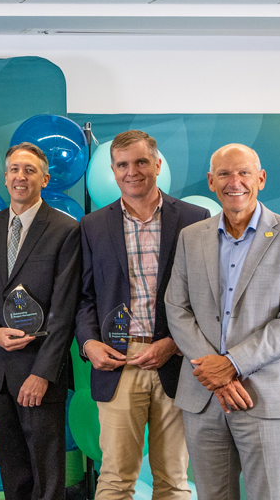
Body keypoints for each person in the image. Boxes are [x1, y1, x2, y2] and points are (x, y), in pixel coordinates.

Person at [166, 143, 280, 500]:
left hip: (267, 395)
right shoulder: (191, 237)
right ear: (211, 181)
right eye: (224, 174)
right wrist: (213, 371)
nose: (235, 182)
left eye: (244, 173)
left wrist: (232, 364)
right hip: (204, 395)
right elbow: (176, 307)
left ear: (260, 179)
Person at [75, 130, 208, 500]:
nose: (131, 171)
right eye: (122, 165)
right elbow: (83, 298)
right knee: (115, 479)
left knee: (173, 480)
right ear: (113, 170)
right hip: (119, 362)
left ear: (158, 164)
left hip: (177, 362)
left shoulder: (195, 219)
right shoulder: (92, 226)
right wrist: (89, 344)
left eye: (141, 162)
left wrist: (174, 344)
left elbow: (207, 297)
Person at [0, 142, 81, 500]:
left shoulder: (65, 229)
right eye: (14, 169)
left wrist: (42, 373)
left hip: (39, 373)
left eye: (30, 170)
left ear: (44, 179)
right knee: (14, 474)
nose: (20, 176)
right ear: (5, 177)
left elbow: (65, 310)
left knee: (46, 476)